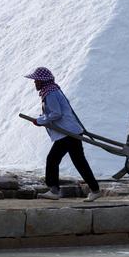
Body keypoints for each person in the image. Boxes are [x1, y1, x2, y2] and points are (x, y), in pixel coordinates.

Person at [25, 67, 102, 202]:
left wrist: (40, 121)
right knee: (79, 162)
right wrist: (41, 119)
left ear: (43, 81)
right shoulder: (52, 91)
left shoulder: (50, 93)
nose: (34, 82)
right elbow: (54, 113)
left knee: (52, 159)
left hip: (67, 133)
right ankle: (95, 190)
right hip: (70, 132)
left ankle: (54, 190)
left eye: (36, 80)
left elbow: (56, 113)